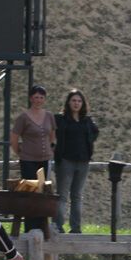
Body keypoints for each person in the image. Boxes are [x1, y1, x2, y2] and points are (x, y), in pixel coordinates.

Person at [11, 85, 56, 232]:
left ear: (44, 99)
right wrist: (20, 152)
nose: (38, 100)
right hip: (28, 160)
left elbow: (52, 134)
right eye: (36, 97)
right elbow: (14, 137)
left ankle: (42, 225)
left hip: (44, 159)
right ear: (31, 98)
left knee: (42, 191)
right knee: (30, 191)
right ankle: (30, 226)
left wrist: (51, 148)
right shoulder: (23, 117)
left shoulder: (49, 116)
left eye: (41, 97)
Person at [54, 89, 99, 234]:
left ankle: (76, 228)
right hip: (66, 161)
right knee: (62, 195)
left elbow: (95, 132)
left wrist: (88, 145)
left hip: (83, 162)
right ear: (68, 102)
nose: (76, 103)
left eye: (79, 101)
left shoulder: (87, 120)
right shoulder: (61, 119)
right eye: (73, 100)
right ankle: (58, 226)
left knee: (77, 196)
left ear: (83, 103)